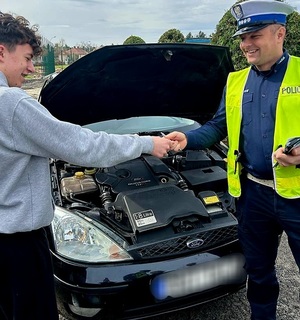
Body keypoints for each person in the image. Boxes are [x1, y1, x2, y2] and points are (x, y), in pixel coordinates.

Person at [0, 12, 175, 320]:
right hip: (19, 246)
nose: (31, 68)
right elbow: (83, 145)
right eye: (27, 58)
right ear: (2, 50)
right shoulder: (11, 103)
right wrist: (149, 143)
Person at [167, 1, 300, 319]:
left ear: (279, 33)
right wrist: (187, 139)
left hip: (296, 196)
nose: (245, 44)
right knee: (259, 272)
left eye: (254, 35)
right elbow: (217, 127)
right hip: (252, 195)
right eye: (243, 38)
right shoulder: (236, 81)